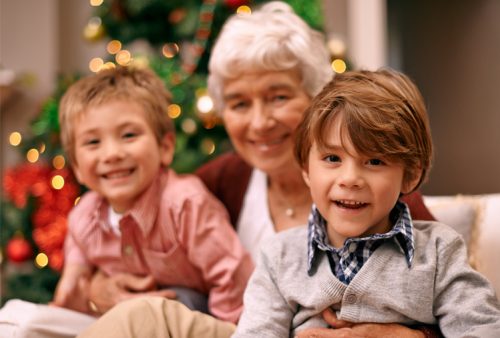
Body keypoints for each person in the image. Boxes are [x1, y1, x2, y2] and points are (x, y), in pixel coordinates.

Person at [78, 2, 443, 338]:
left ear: (317, 98)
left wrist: (409, 336)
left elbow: (456, 302)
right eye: (239, 104)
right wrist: (96, 284)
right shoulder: (217, 182)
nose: (260, 122)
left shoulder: (380, 195)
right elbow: (131, 230)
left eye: (278, 97)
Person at [233, 68, 500, 337]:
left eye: (374, 161)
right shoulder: (279, 256)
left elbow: (484, 331)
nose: (350, 179)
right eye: (332, 159)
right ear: (306, 170)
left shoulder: (439, 251)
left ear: (410, 175)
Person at [0, 66, 253, 337]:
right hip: (119, 322)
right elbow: (78, 251)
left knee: (145, 312)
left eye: (129, 135)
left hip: (187, 317)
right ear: (77, 167)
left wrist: (234, 330)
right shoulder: (84, 215)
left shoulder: (185, 203)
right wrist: (74, 276)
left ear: (165, 147)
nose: (112, 153)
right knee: (15, 322)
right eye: (93, 142)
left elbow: (230, 273)